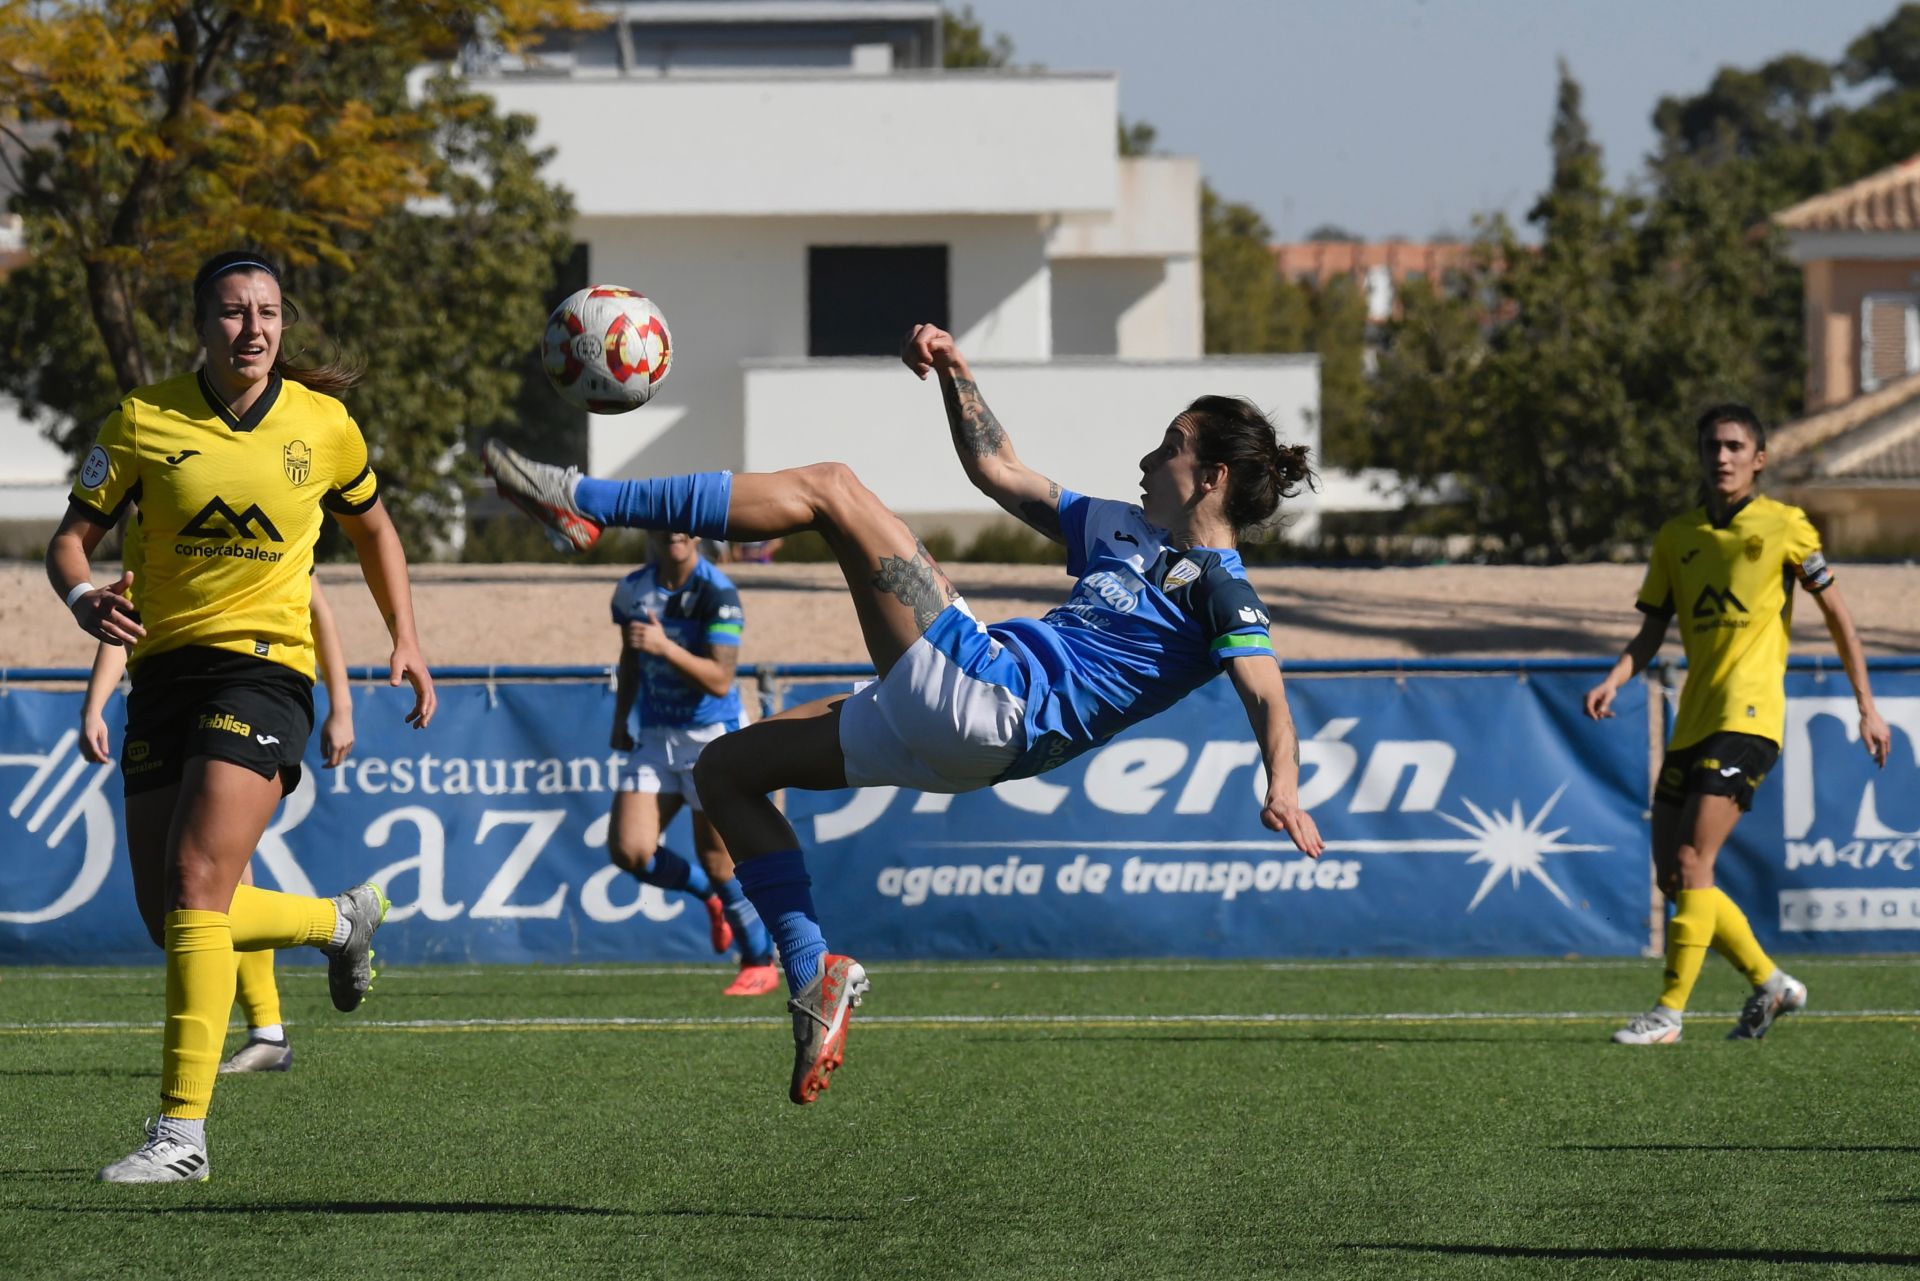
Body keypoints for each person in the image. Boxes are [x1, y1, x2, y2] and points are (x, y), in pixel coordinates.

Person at [485, 321, 1325, 1105]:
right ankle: (812, 974)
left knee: (832, 488)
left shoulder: (1220, 587)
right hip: (965, 732)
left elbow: (1266, 689)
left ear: (1211, 477)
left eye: (1171, 446)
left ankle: (586, 499)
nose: (1148, 457)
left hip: (992, 697)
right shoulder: (1118, 528)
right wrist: (956, 374)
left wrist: (1282, 782)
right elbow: (1000, 470)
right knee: (727, 770)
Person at [46, 250, 436, 1183]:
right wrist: (81, 598)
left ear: (283, 324)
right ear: (201, 324)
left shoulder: (325, 425)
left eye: (267, 311)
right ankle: (339, 921)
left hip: (264, 673)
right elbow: (70, 539)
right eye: (232, 312)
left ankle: (180, 1135)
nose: (253, 328)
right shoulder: (143, 419)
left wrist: (406, 637)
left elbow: (374, 528)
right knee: (172, 913)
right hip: (164, 676)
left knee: (194, 879)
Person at [1585, 403, 1890, 1046]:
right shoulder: (1677, 536)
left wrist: (1867, 703)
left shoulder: (1786, 527)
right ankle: (1770, 981)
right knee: (1676, 876)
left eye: (1733, 446)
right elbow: (1651, 629)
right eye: (1711, 447)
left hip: (1750, 718)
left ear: (1759, 459)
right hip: (1693, 719)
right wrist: (1616, 677)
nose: (1721, 457)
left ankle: (1668, 1013)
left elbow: (1837, 614)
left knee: (1697, 858)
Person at [79, 570, 356, 1074]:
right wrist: (95, 705)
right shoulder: (156, 530)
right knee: (198, 896)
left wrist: (343, 704)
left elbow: (318, 610)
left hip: (246, 693)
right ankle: (277, 1016)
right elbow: (127, 620)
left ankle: (269, 1023)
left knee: (211, 883)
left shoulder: (261, 514)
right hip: (168, 704)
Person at [608, 530, 778, 995]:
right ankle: (708, 896)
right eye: (664, 522)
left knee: (720, 860)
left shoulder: (718, 591)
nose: (675, 532)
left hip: (711, 738)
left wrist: (666, 647)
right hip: (655, 736)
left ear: (699, 532)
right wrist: (623, 717)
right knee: (630, 850)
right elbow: (630, 659)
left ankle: (759, 961)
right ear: (652, 531)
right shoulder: (631, 590)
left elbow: (721, 681)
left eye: (684, 522)